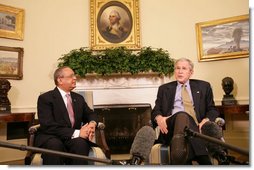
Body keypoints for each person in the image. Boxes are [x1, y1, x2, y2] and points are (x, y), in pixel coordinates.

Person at [151, 58, 220, 165]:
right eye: (177, 68)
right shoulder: (164, 89)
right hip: (171, 127)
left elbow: (212, 109)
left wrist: (206, 120)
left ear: (191, 72)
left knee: (184, 123)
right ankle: (204, 160)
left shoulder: (203, 86)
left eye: (184, 68)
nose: (180, 71)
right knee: (182, 115)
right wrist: (159, 117)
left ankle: (181, 161)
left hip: (196, 127)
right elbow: (155, 111)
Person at [35, 66, 98, 165]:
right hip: (52, 137)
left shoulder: (79, 98)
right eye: (71, 76)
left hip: (72, 138)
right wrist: (78, 133)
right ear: (60, 80)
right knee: (55, 145)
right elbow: (48, 126)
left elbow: (90, 114)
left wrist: (92, 123)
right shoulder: (45, 98)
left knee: (81, 144)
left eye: (74, 76)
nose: (75, 78)